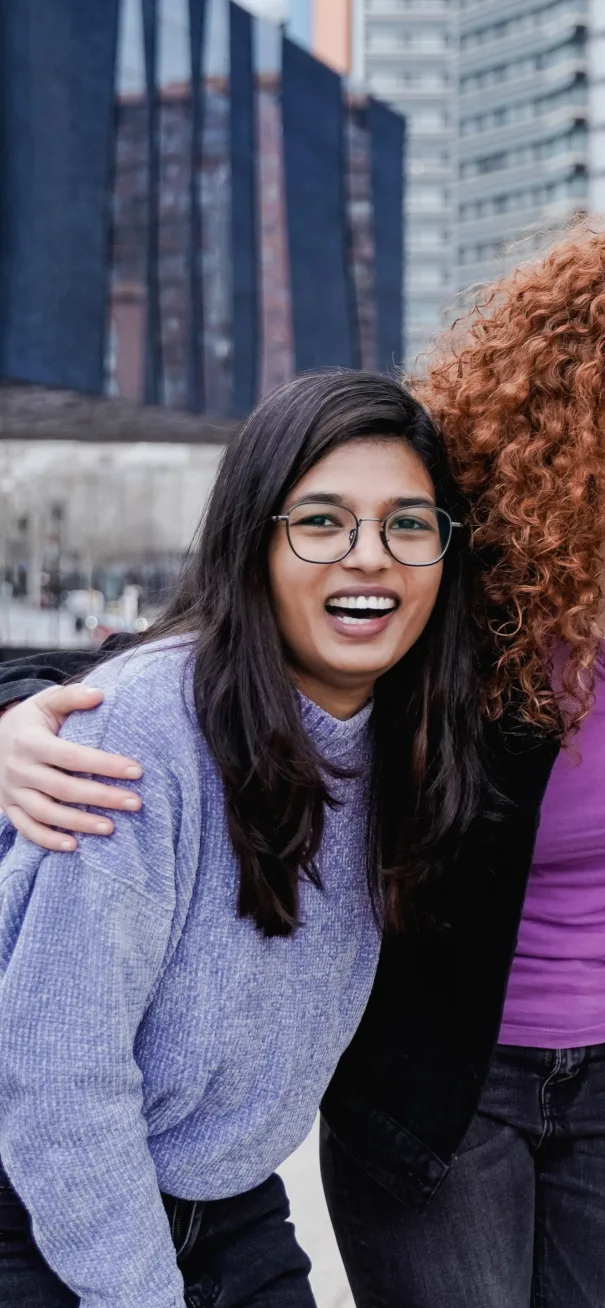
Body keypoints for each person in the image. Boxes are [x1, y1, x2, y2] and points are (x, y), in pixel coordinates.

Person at [0, 215, 605, 1305]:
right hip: (439, 1075)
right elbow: (204, 656)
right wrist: (17, 713)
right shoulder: (455, 584)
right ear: (585, 426)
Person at [0, 372, 487, 1307]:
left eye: (408, 525)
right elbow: (58, 1072)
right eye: (321, 521)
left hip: (226, 1205)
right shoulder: (145, 727)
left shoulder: (412, 737)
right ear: (254, 537)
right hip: (38, 1204)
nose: (369, 557)